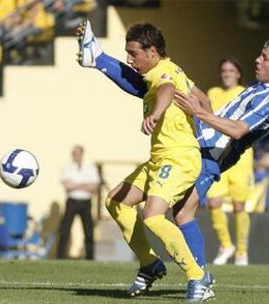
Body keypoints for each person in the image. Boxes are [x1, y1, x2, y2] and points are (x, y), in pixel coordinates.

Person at [77, 20, 269, 301]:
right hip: (199, 141)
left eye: (263, 58)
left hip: (212, 155)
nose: (256, 60)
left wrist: (200, 113)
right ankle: (98, 58)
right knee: (156, 92)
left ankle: (200, 279)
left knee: (182, 213)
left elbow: (238, 129)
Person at [78, 20, 214, 302]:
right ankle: (150, 264)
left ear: (152, 51)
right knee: (115, 201)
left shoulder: (163, 73)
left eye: (133, 53)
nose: (130, 59)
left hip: (179, 158)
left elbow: (164, 90)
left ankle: (197, 276)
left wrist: (156, 114)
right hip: (163, 157)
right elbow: (202, 98)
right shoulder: (173, 69)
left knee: (153, 216)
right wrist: (202, 117)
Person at [205, 56, 254, 266]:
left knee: (238, 206)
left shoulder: (246, 93)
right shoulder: (213, 93)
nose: (227, 74)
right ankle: (225, 244)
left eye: (231, 71)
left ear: (238, 74)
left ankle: (242, 251)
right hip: (216, 152)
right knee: (214, 201)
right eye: (224, 70)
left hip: (240, 155)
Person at [57, 145, 100, 260]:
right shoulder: (67, 167)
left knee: (89, 231)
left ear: (82, 153)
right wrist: (85, 185)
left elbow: (94, 187)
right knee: (65, 230)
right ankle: (60, 257)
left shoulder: (90, 167)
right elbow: (67, 186)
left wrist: (76, 185)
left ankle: (90, 258)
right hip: (72, 202)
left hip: (86, 202)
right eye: (73, 153)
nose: (74, 155)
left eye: (76, 153)